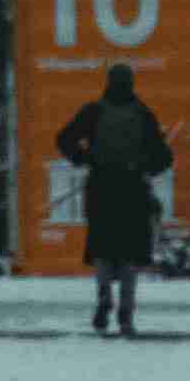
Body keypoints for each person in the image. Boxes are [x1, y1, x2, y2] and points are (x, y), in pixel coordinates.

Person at [55, 64, 174, 336]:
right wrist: (146, 167)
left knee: (102, 249)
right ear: (131, 84)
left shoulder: (93, 111)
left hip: (101, 187)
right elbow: (164, 157)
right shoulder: (143, 115)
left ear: (108, 83)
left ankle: (104, 295)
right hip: (132, 189)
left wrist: (85, 159)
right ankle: (126, 313)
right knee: (129, 252)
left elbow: (63, 139)